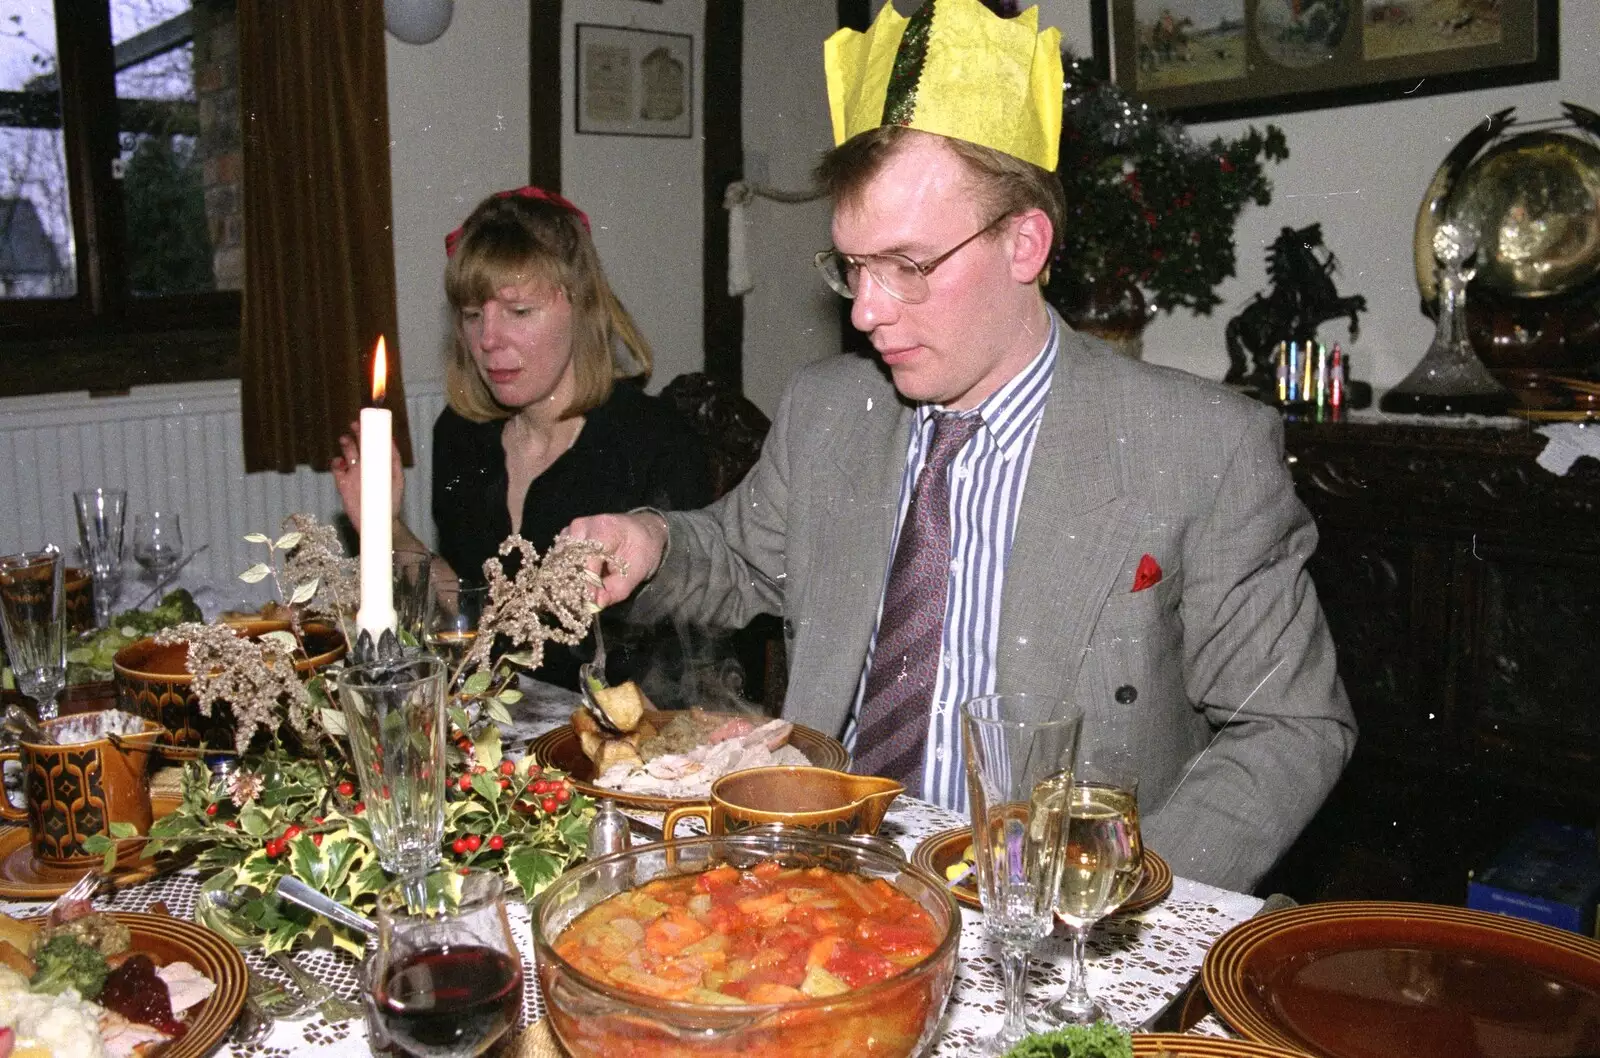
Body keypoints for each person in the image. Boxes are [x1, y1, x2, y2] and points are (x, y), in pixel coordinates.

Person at [566, 0, 1354, 891]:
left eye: (907, 267)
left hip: (1048, 913)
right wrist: (655, 541)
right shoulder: (831, 410)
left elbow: (1291, 726)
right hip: (825, 877)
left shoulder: (1196, 448)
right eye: (852, 268)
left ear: (1025, 242)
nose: (865, 312)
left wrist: (1127, 889)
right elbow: (743, 558)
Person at [332, 186, 712, 690]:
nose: (488, 340)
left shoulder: (656, 444)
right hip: (508, 730)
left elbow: (679, 660)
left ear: (582, 309)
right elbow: (473, 615)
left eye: (519, 312)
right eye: (473, 315)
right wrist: (386, 527)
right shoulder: (462, 437)